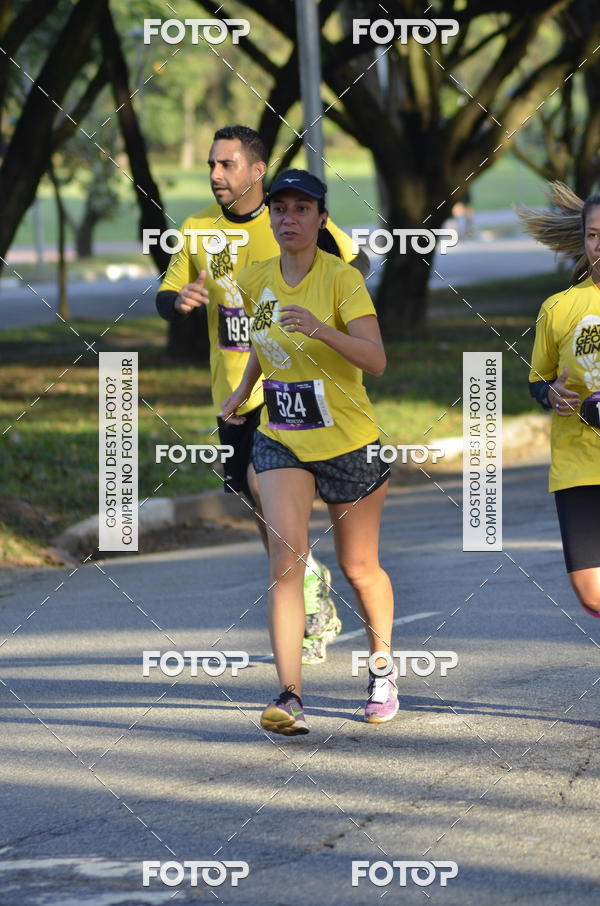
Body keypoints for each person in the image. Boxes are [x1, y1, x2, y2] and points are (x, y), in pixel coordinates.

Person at [156, 125, 369, 664]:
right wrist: (179, 301)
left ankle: (305, 586)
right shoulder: (197, 229)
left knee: (264, 485)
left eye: (226, 164)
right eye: (211, 164)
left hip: (293, 389)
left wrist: (324, 306)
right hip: (234, 389)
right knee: (259, 508)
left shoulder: (288, 219)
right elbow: (166, 293)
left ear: (255, 171)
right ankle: (305, 581)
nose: (215, 174)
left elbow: (357, 264)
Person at [220, 169, 395, 735]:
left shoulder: (342, 280)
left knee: (358, 567)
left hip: (349, 442)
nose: (288, 219)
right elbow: (264, 343)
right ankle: (290, 696)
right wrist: (244, 389)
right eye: (280, 209)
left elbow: (375, 360)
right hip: (281, 438)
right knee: (285, 562)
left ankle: (383, 669)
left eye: (301, 209)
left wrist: (321, 330)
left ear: (322, 219)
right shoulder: (254, 278)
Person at [520, 181, 600, 619]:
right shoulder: (560, 308)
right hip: (577, 464)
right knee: (591, 594)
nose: (599, 244)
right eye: (592, 235)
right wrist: (551, 394)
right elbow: (538, 379)